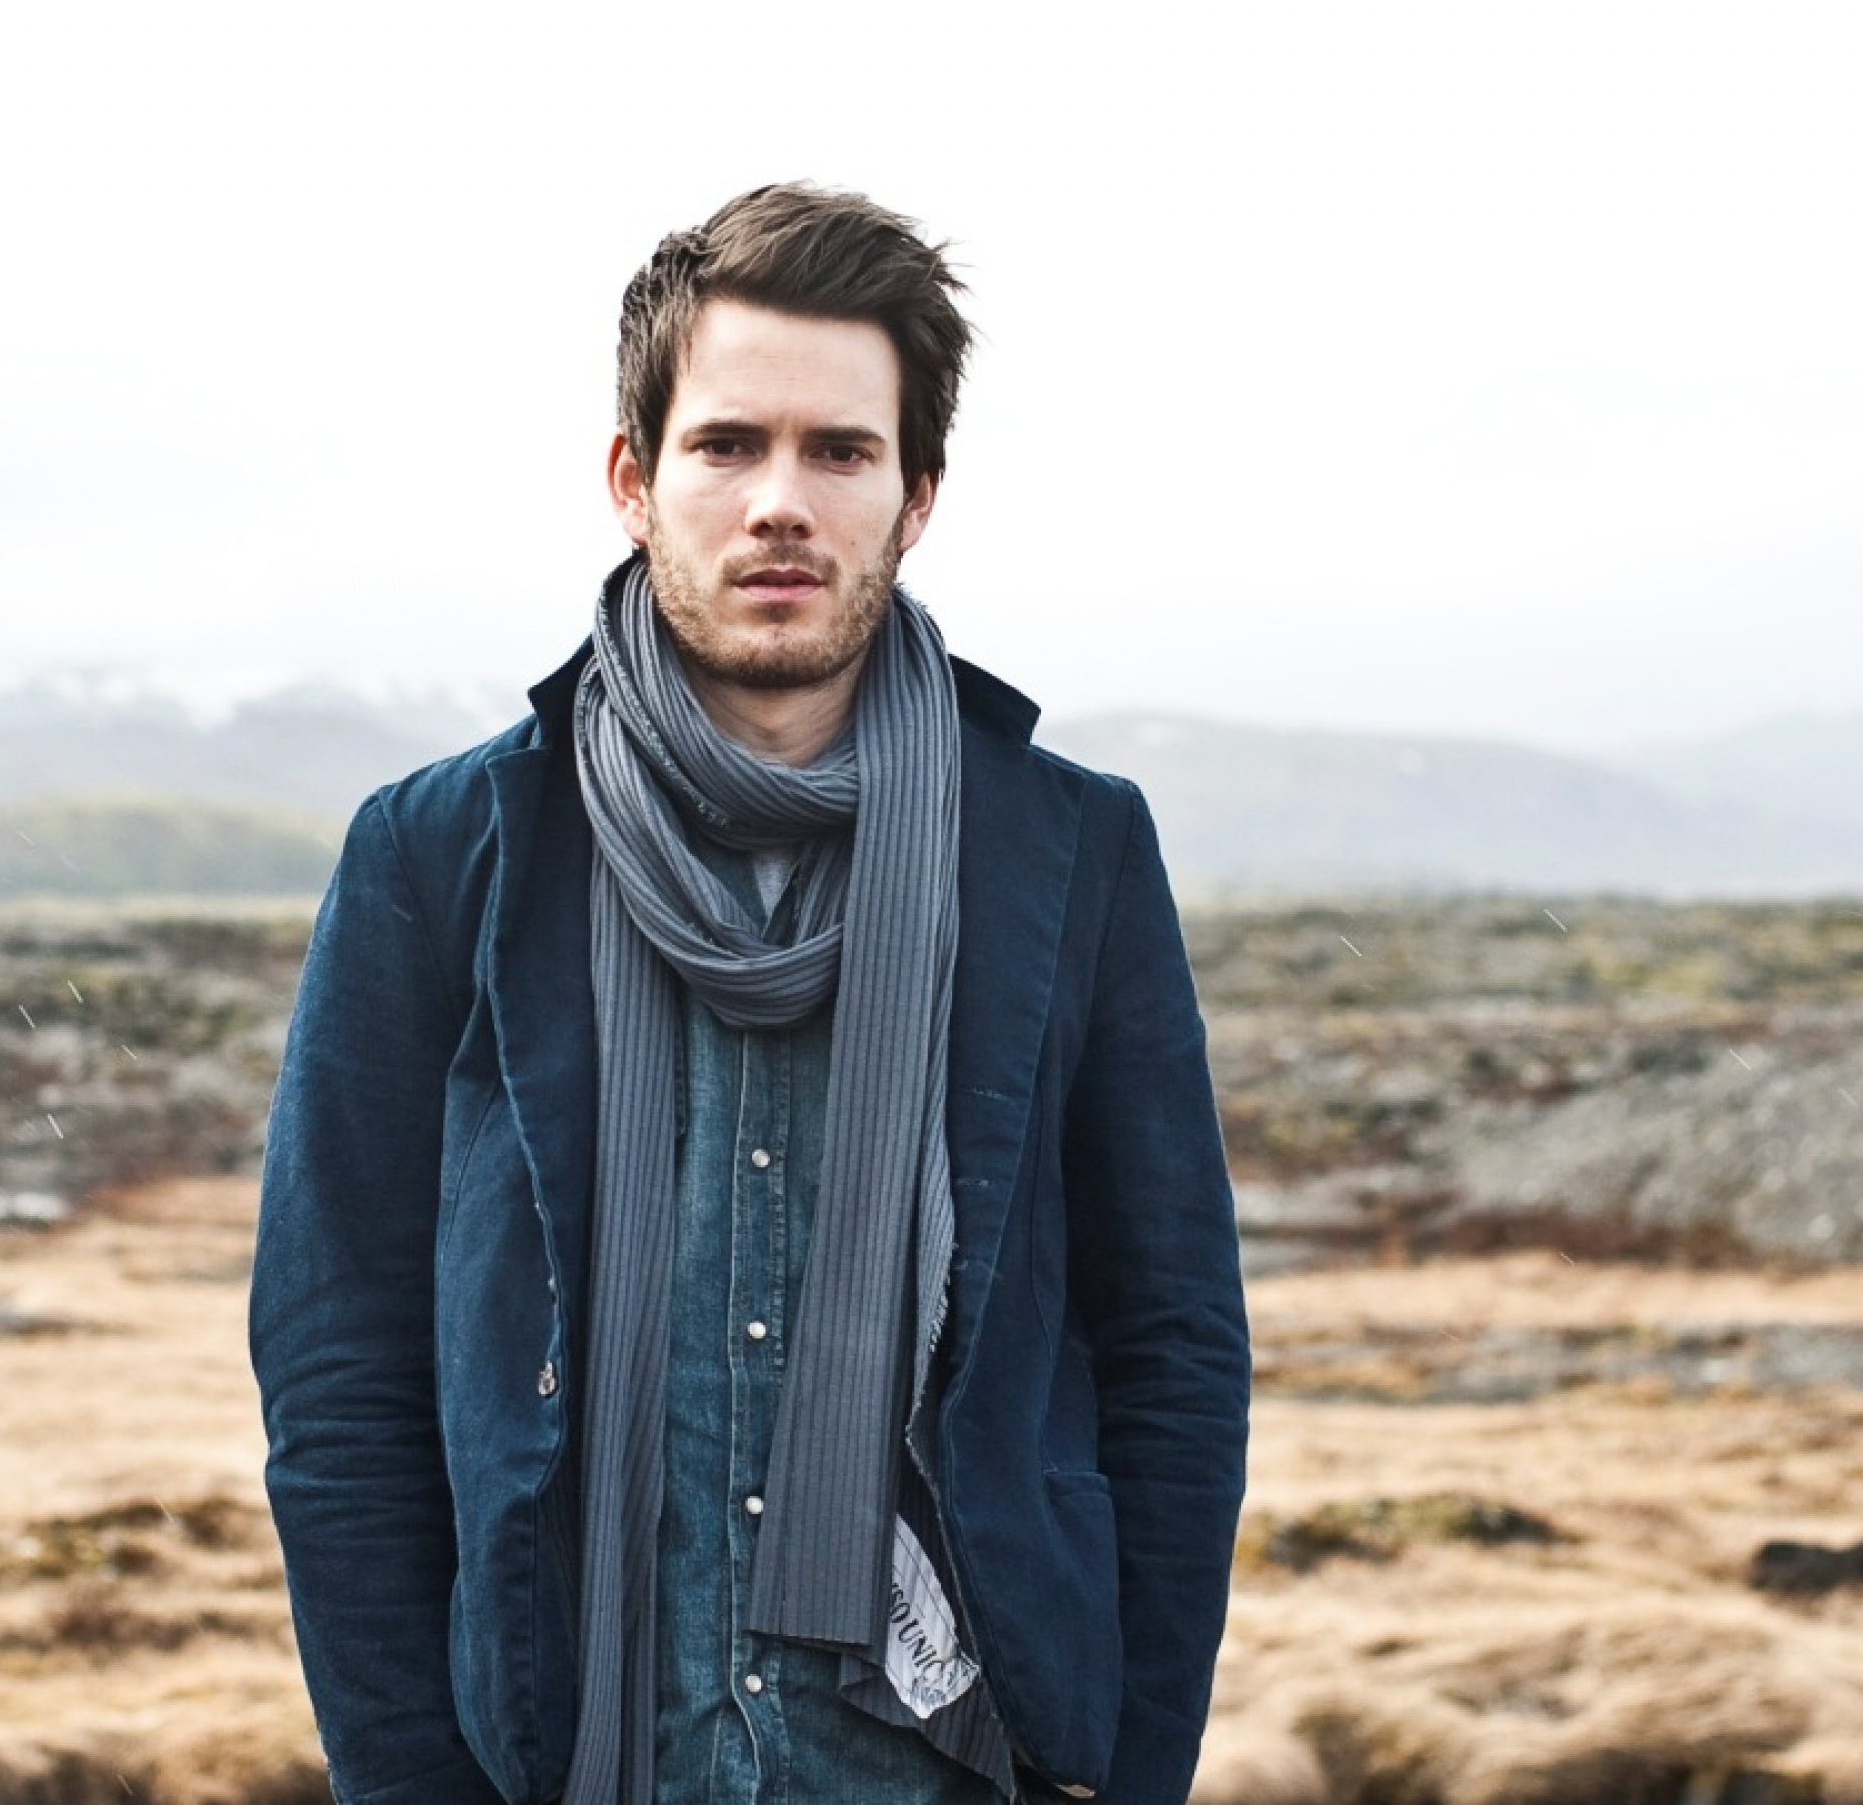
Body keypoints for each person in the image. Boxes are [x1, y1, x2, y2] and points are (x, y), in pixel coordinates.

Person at [251, 183, 1248, 1805]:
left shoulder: (1069, 853)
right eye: (727, 445)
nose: (780, 501)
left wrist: (1130, 1769)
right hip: (576, 1761)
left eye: (841, 452)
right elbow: (341, 1373)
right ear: (634, 480)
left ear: (917, 497)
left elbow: (1173, 1345)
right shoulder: (443, 853)